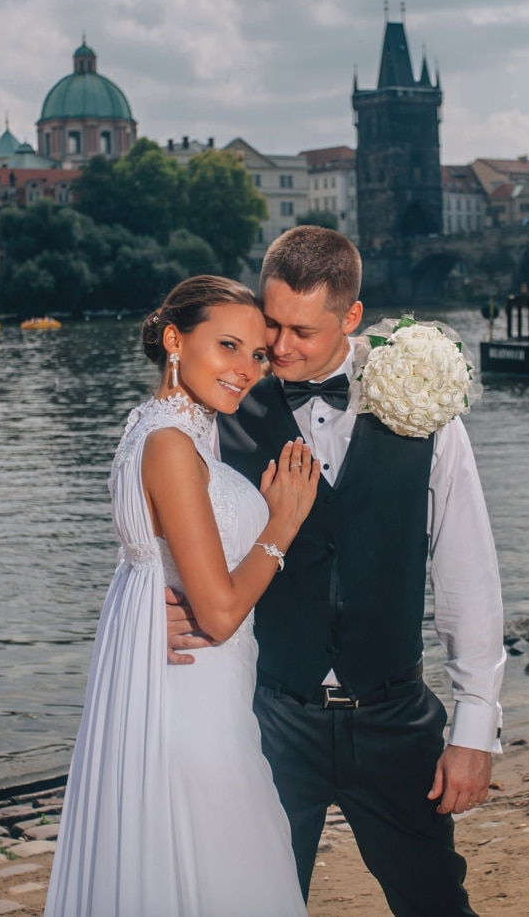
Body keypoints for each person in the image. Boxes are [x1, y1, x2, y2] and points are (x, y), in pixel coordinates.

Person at [171, 226, 505, 916]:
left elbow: (466, 568)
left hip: (393, 717)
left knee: (437, 906)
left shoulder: (423, 402)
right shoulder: (224, 407)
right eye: (271, 325)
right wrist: (161, 602)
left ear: (351, 318)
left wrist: (475, 726)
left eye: (303, 331)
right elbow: (175, 530)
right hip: (267, 721)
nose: (280, 348)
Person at [44, 275, 316, 916]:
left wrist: (143, 614)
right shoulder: (169, 442)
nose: (245, 369)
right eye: (228, 346)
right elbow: (219, 614)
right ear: (175, 339)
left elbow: (153, 565)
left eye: (256, 354)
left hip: (198, 686)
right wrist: (281, 526)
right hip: (191, 701)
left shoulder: (173, 427)